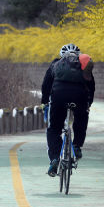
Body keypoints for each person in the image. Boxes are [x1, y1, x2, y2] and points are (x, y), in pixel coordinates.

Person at [41, 43, 95, 177]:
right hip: (79, 96)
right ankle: (76, 146)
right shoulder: (83, 64)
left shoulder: (55, 64)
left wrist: (45, 101)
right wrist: (88, 103)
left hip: (58, 97)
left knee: (54, 129)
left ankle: (54, 158)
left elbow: (46, 84)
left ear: (61, 55)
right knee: (81, 118)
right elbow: (91, 85)